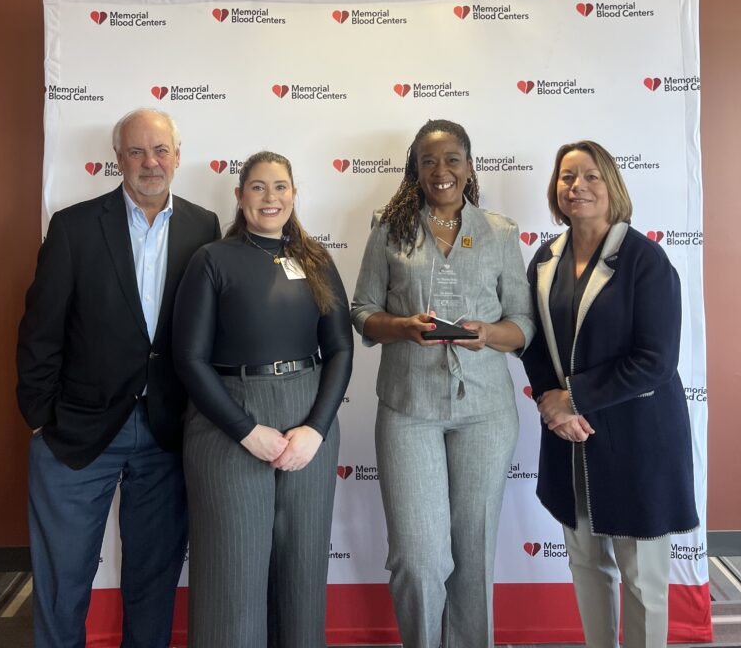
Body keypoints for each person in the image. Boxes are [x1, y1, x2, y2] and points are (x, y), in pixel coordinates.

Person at [17, 108, 221, 648]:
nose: (150, 163)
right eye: (136, 151)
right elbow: (40, 330)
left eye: (160, 151)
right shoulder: (74, 226)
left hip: (166, 433)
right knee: (63, 581)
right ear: (118, 159)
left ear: (178, 157)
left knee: (152, 581)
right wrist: (40, 416)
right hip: (76, 431)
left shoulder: (205, 227)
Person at [351, 119, 534, 648]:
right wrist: (402, 328)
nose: (441, 170)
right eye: (428, 161)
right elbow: (363, 312)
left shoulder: (499, 232)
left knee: (473, 552)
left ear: (470, 165)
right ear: (415, 169)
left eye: (452, 158)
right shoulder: (389, 228)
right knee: (418, 554)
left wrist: (488, 334)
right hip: (409, 408)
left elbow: (522, 322)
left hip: (485, 411)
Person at [521, 139, 698, 648]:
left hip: (639, 442)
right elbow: (533, 340)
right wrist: (551, 405)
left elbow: (656, 362)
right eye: (567, 177)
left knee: (643, 579)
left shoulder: (645, 259)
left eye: (591, 176)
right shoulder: (546, 259)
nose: (577, 187)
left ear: (613, 185)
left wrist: (573, 397)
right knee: (586, 564)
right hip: (569, 437)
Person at [172, 150, 353, 648]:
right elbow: (188, 358)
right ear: (239, 196)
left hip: (308, 419)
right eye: (257, 187)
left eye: (280, 187)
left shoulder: (316, 261)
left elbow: (340, 348)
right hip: (228, 419)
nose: (269, 197)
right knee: (233, 573)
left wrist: (316, 426)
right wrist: (245, 431)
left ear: (294, 195)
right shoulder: (212, 260)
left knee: (302, 568)